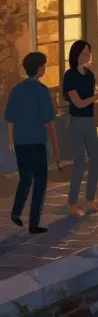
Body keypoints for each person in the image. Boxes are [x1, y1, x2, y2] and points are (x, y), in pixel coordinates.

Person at [6, 52, 58, 233]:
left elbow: (10, 118)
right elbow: (48, 122)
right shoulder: (42, 91)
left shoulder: (17, 89)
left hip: (21, 142)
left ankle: (16, 211)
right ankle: (33, 223)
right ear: (38, 68)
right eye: (44, 65)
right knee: (40, 182)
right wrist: (55, 144)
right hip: (36, 142)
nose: (45, 68)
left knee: (25, 178)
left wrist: (11, 140)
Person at [62, 40, 98, 216]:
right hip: (77, 121)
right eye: (84, 52)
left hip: (90, 121)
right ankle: (72, 202)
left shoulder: (90, 74)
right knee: (80, 162)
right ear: (76, 54)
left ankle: (90, 199)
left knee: (97, 158)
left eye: (89, 52)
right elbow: (79, 103)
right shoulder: (69, 76)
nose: (88, 55)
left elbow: (95, 96)